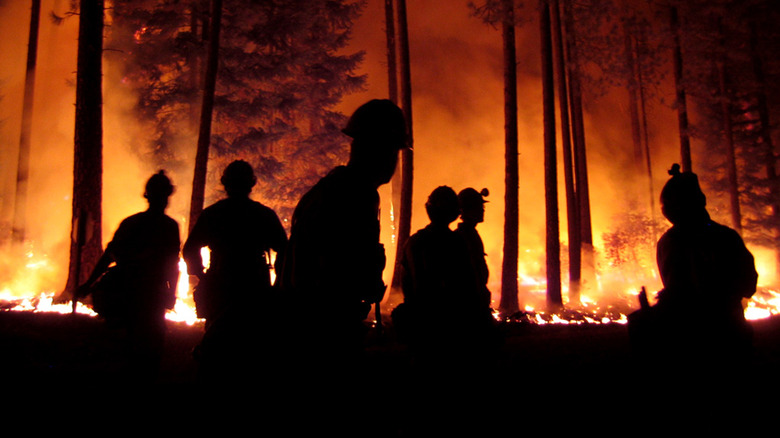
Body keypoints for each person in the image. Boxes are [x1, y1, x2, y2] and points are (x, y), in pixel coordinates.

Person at [279, 99, 407, 369]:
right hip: (323, 329)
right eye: (393, 150)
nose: (394, 161)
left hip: (311, 322)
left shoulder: (334, 188)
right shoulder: (354, 196)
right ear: (377, 149)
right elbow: (336, 268)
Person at [629, 164, 758, 373]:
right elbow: (748, 285)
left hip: (691, 338)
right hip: (724, 334)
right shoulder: (725, 237)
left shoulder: (669, 242)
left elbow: (676, 289)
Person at [182, 159, 287, 383]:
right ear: (251, 184)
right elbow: (286, 251)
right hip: (255, 285)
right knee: (252, 346)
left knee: (217, 343)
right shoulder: (263, 215)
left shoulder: (214, 214)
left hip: (221, 283)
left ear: (225, 183)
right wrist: (279, 284)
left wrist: (202, 276)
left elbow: (190, 249)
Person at [77, 170, 180, 382]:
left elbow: (109, 257)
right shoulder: (169, 226)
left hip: (130, 290)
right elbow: (171, 264)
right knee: (149, 347)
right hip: (149, 292)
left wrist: (89, 283)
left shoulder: (132, 223)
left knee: (130, 345)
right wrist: (171, 292)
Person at [398, 186, 495, 370]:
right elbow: (467, 285)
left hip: (423, 328)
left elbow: (407, 284)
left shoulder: (414, 242)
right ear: (456, 211)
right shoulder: (456, 242)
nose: (481, 211)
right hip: (452, 328)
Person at [455, 187, 492, 313]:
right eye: (478, 206)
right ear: (468, 209)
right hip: (470, 304)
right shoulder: (465, 236)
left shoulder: (469, 234)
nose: (482, 210)